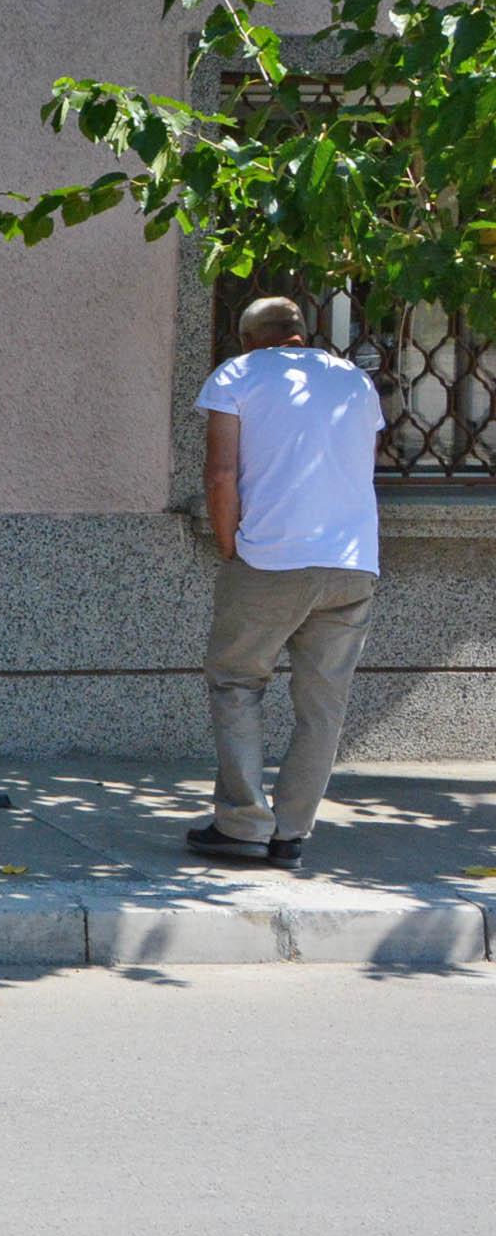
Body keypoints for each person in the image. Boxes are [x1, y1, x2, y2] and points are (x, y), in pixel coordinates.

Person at [186, 295, 387, 866]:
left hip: (271, 558)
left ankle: (244, 823)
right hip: (352, 564)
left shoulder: (239, 374)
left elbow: (221, 473)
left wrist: (228, 545)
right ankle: (291, 833)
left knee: (236, 683)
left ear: (251, 338)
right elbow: (358, 466)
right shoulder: (353, 380)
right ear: (300, 335)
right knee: (323, 705)